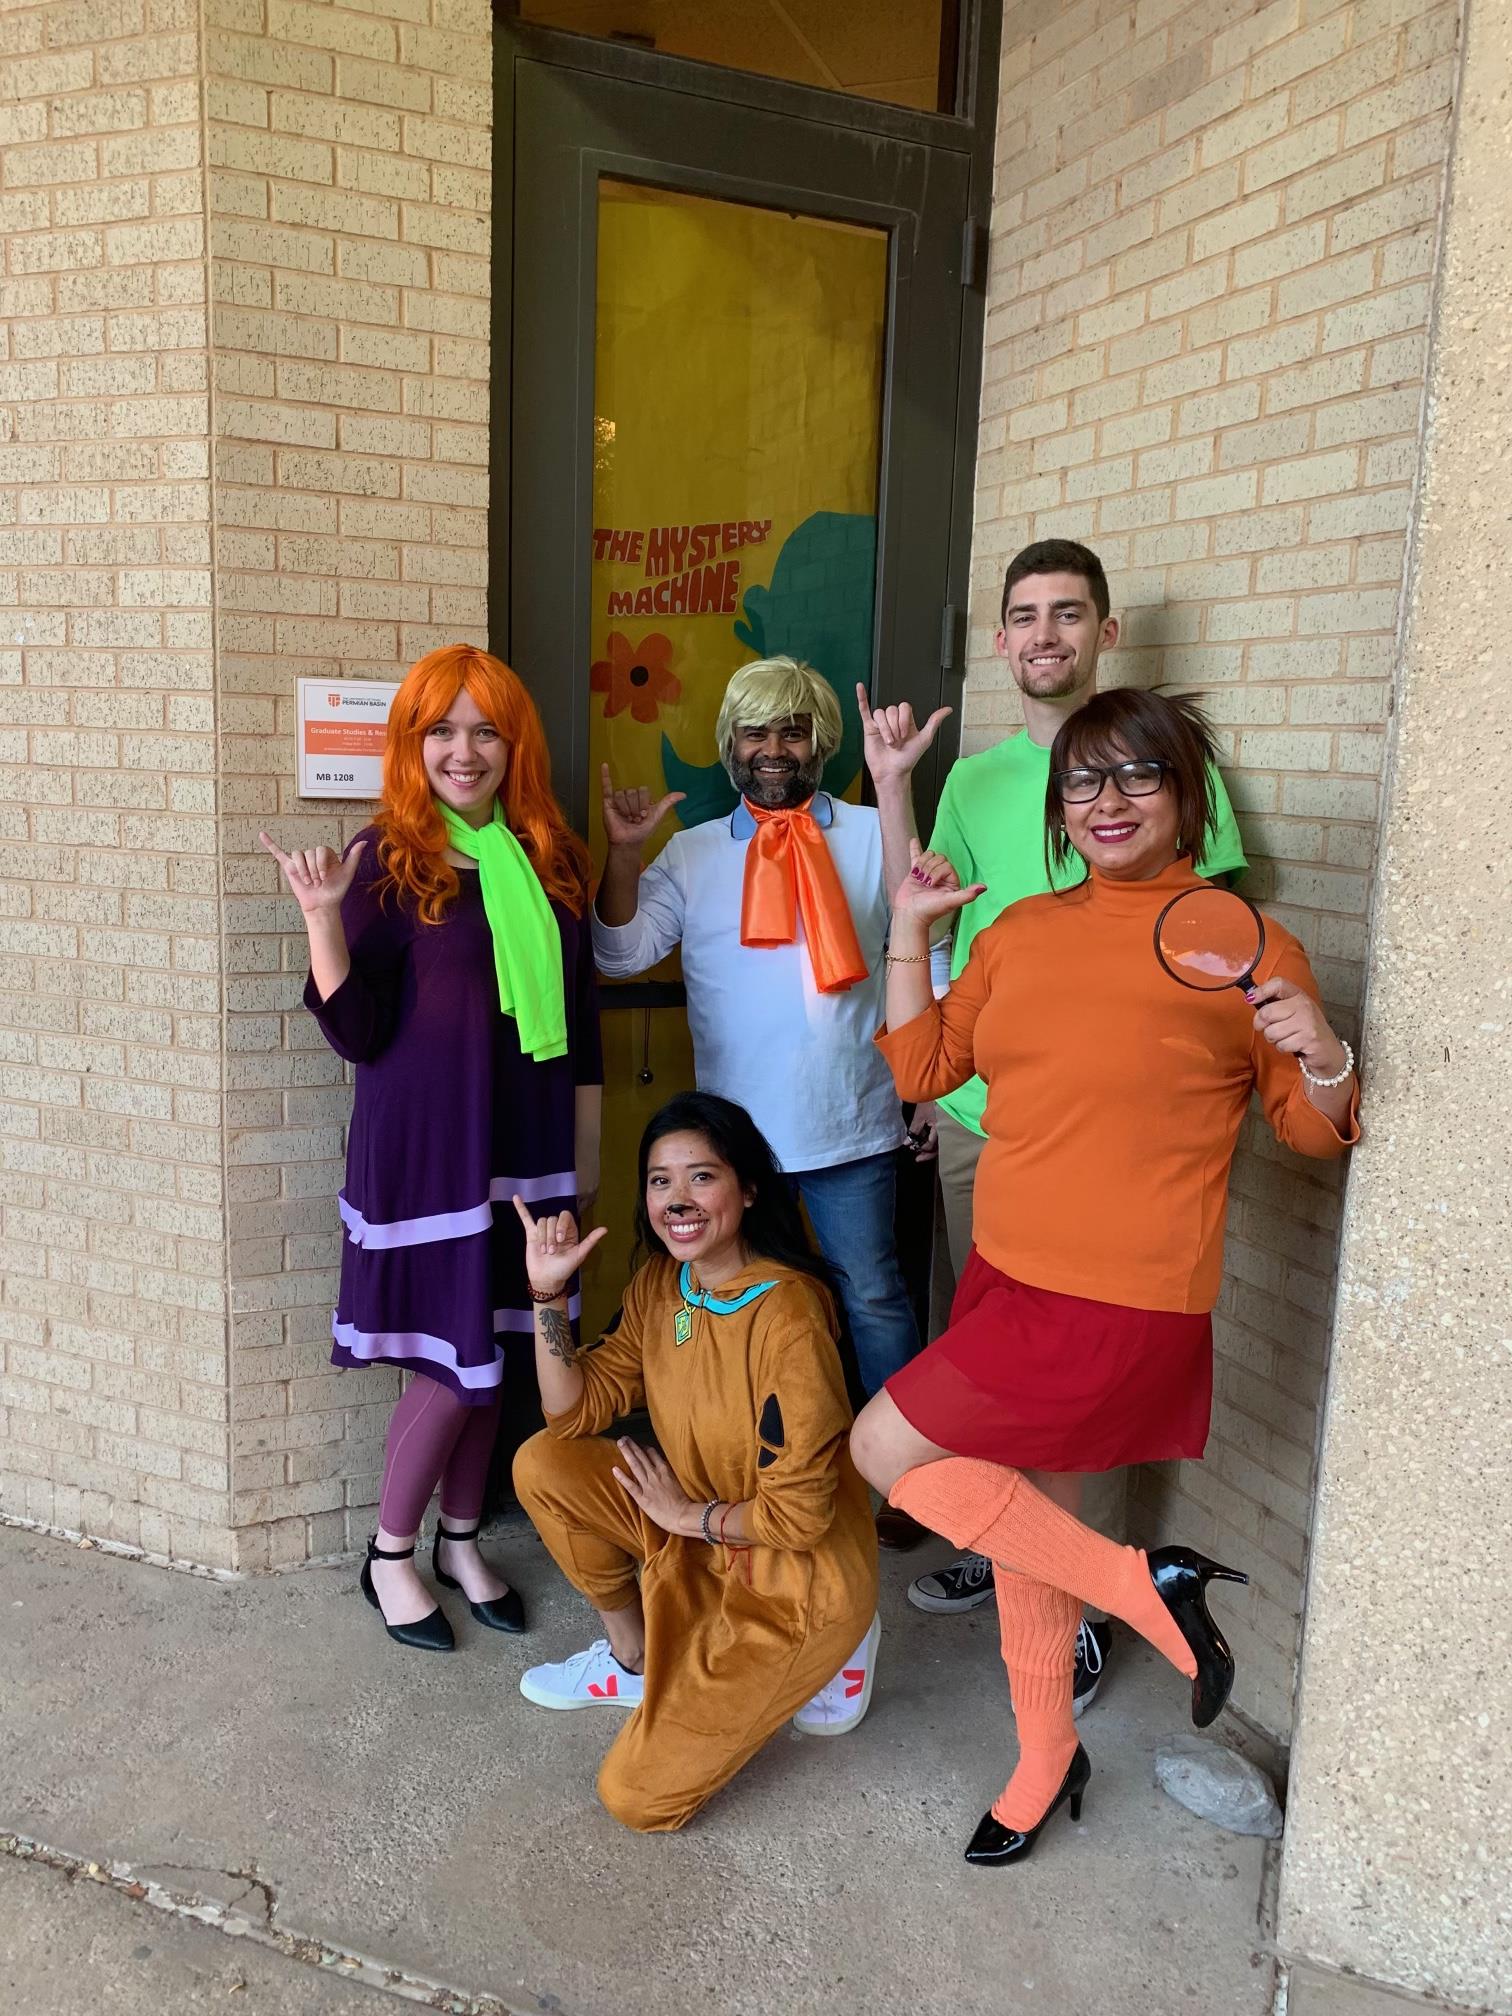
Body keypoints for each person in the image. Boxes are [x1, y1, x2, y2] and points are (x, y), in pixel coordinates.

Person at [850, 687, 1358, 1866]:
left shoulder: (1243, 943)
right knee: (1037, 1540)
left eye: (1139, 775)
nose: (1107, 800)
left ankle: (1145, 1592)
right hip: (1008, 1278)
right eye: (1083, 780)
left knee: (884, 1450)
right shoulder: (1021, 935)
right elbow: (923, 1066)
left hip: (1122, 1301)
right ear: (1059, 808)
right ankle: (1045, 1757)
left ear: (1189, 798)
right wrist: (915, 933)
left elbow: (1312, 1130)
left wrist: (1326, 1057)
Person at [860, 537, 1249, 1707]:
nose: (1045, 635)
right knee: (1008, 1372)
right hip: (989, 1109)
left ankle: (1083, 1600)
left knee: (1089, 1386)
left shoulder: (1167, 763)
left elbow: (1216, 934)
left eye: (1067, 614)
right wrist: (889, 786)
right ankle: (1020, 1552)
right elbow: (920, 903)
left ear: (1104, 633)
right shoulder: (976, 782)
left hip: (1125, 1132)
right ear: (1002, 642)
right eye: (1024, 616)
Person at [261, 644, 602, 1653]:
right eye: (441, 729)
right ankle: (390, 1554)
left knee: (499, 1349)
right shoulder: (387, 858)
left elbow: (580, 1024)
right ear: (413, 743)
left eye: (485, 728)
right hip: (428, 1158)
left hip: (530, 1152)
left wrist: (581, 1169)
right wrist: (324, 921)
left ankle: (462, 1540)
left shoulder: (551, 861)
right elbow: (358, 1032)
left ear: (514, 744)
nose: (465, 750)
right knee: (456, 1366)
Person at [593, 655, 931, 1536]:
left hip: (852, 1122)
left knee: (874, 1298)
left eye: (792, 731)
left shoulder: (869, 833)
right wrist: (625, 857)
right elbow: (621, 955)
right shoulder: (694, 854)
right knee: (749, 1309)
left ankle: (904, 1485)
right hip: (732, 1149)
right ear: (729, 746)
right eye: (755, 732)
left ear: (822, 742)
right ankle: (751, 1473)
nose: (773, 749)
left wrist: (929, 1083)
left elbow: (925, 945)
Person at [510, 1091, 881, 1833]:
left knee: (637, 1800)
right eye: (659, 1181)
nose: (677, 1200)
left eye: (700, 1177)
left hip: (791, 1579)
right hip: (701, 1531)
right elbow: (572, 1412)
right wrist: (548, 1292)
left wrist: (685, 1515)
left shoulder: (789, 1316)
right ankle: (637, 1654)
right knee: (543, 1462)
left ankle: (845, 1640)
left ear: (747, 1189)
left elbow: (799, 1516)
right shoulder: (663, 1283)